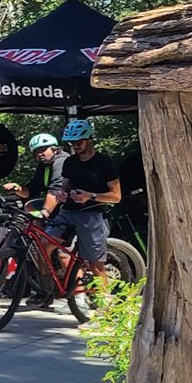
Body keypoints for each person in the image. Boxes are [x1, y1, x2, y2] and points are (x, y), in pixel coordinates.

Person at [47, 118, 120, 287]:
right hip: (68, 212)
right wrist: (62, 195)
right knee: (45, 244)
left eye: (79, 142)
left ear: (89, 140)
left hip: (93, 214)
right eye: (72, 143)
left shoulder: (104, 162)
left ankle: (105, 304)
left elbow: (116, 196)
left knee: (95, 264)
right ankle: (51, 292)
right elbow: (64, 188)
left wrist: (91, 196)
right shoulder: (70, 162)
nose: (75, 146)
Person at [2, 132, 64, 205]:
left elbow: (56, 190)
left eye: (43, 150)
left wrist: (45, 213)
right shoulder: (44, 165)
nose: (39, 154)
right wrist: (18, 189)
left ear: (55, 149)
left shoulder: (61, 161)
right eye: (36, 152)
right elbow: (31, 191)